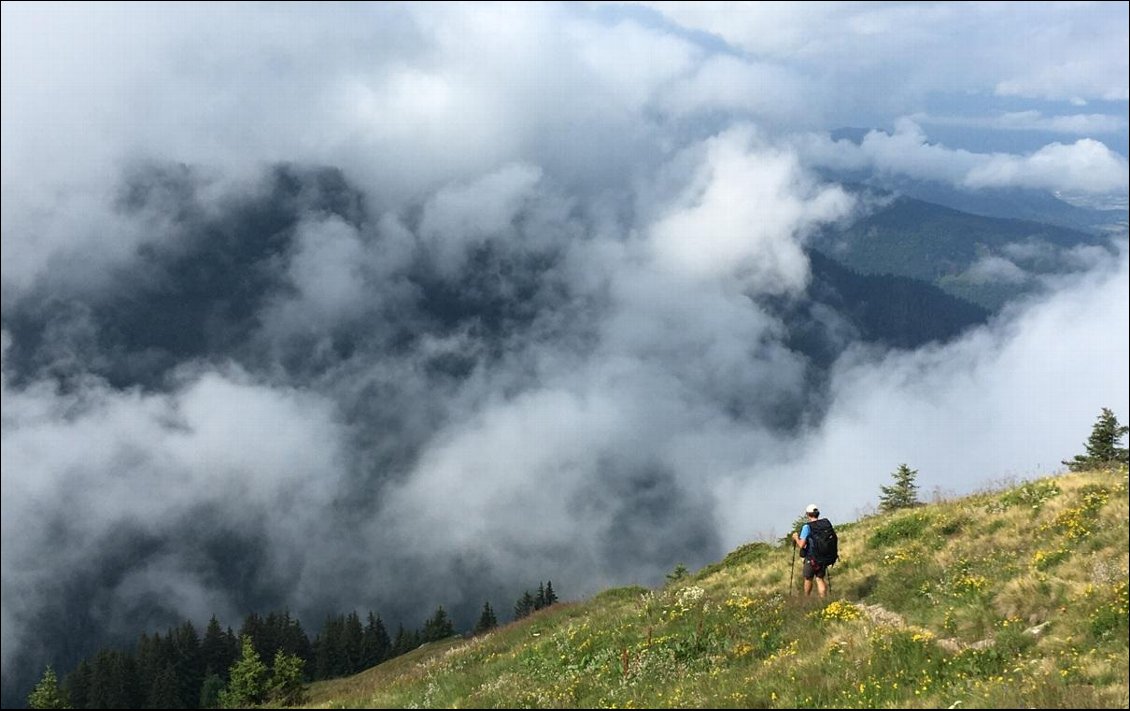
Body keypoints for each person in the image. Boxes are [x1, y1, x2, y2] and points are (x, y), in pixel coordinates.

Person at [792, 504, 830, 598]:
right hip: (823, 556)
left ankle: (806, 599)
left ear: (808, 514)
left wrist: (796, 538)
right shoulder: (824, 524)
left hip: (811, 557)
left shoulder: (807, 527)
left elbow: (801, 545)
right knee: (820, 578)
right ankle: (823, 599)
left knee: (808, 578)